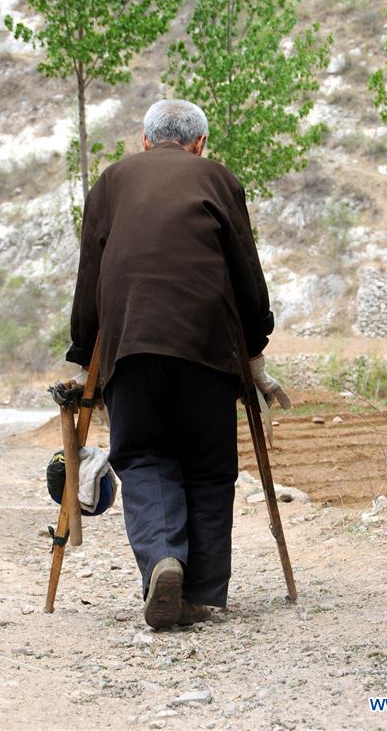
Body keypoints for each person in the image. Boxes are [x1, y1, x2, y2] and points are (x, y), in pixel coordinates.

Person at [66, 99, 290, 629]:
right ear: (199, 144)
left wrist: (83, 356)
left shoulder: (111, 181)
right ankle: (201, 590)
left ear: (145, 141)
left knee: (142, 456)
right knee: (210, 465)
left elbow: (91, 274)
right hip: (208, 347)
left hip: (130, 346)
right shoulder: (217, 179)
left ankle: (164, 561)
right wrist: (255, 346)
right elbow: (245, 269)